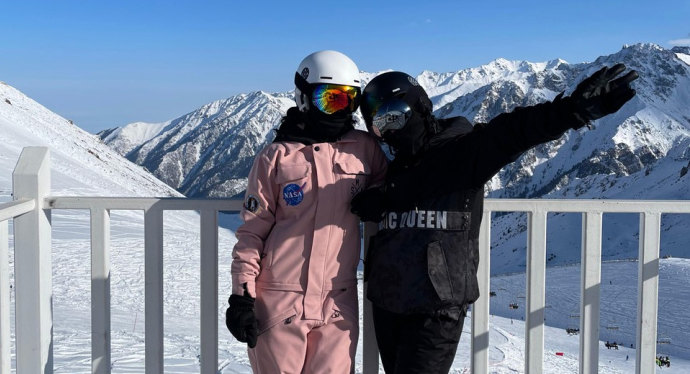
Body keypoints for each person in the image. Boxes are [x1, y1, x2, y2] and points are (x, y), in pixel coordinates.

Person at [351, 65, 638, 373]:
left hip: (436, 307)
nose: (388, 131)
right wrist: (383, 200)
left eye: (394, 116)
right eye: (378, 125)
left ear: (419, 106)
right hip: (388, 301)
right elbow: (416, 193)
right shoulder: (397, 165)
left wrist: (570, 111)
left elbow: (513, 133)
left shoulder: (463, 152)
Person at [226, 50, 388, 373]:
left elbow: (394, 184)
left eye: (348, 100)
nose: (339, 110)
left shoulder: (365, 149)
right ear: (304, 98)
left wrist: (381, 197)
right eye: (329, 100)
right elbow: (252, 232)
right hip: (279, 297)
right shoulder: (276, 157)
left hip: (338, 299)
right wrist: (242, 296)